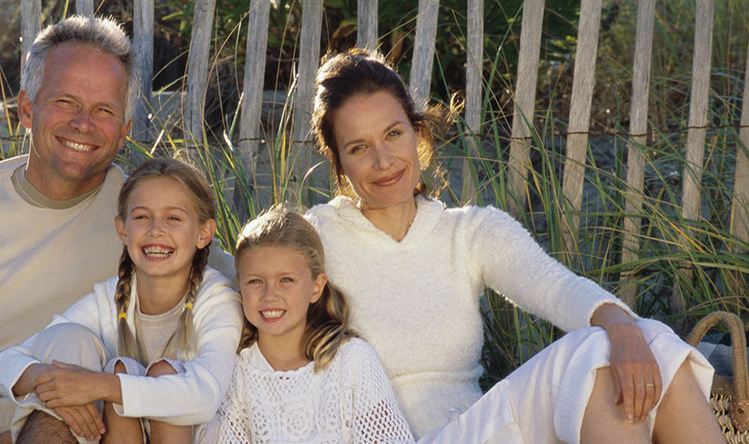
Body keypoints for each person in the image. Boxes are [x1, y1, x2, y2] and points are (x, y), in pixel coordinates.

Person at [303, 49, 725, 443]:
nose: (383, 161)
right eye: (359, 147)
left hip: (480, 430)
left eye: (393, 134)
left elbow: (558, 289)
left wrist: (625, 330)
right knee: (601, 350)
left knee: (648, 340)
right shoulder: (317, 238)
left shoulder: (468, 232)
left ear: (417, 132)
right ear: (338, 160)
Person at [0, 16, 234, 444]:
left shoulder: (147, 224)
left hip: (80, 431)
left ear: (124, 130)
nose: (84, 123)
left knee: (72, 345)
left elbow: (255, 284)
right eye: (65, 101)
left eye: (104, 110)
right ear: (26, 109)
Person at [0, 158, 243, 443]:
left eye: (173, 218)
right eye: (142, 217)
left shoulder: (217, 300)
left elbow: (205, 396)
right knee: (68, 337)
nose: (156, 230)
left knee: (163, 375)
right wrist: (56, 383)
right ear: (122, 230)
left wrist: (99, 385)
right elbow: (4, 364)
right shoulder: (111, 298)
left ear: (204, 233)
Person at [205, 205, 414, 443]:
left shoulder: (353, 361)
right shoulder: (234, 371)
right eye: (255, 281)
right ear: (240, 284)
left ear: (316, 287)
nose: (270, 295)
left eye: (286, 280)